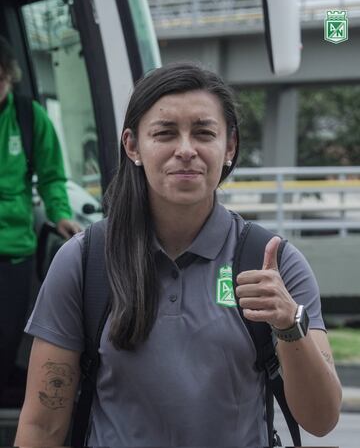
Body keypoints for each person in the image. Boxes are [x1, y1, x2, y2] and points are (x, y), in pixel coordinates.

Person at [15, 62, 341, 446]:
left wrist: (288, 324)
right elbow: (42, 426)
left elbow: (321, 420)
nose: (186, 150)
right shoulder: (85, 262)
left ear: (230, 147)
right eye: (165, 133)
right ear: (133, 146)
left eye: (204, 133)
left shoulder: (274, 262)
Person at [0, 36, 81, 406]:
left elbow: (51, 177)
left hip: (12, 252)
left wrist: (61, 215)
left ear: (10, 78)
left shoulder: (29, 117)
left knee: (5, 342)